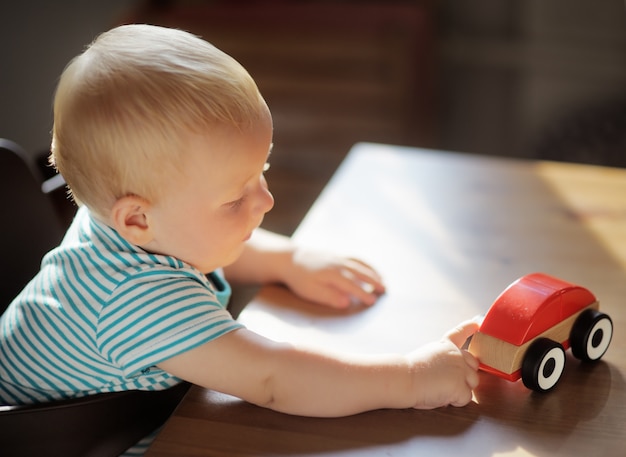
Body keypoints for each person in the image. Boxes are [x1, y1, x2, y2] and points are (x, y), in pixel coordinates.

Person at [0, 24, 479, 452]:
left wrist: (288, 260)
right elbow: (276, 379)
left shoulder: (123, 221)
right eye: (235, 200)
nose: (266, 202)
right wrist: (411, 379)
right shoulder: (134, 299)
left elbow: (203, 242)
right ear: (136, 219)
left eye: (262, 171)